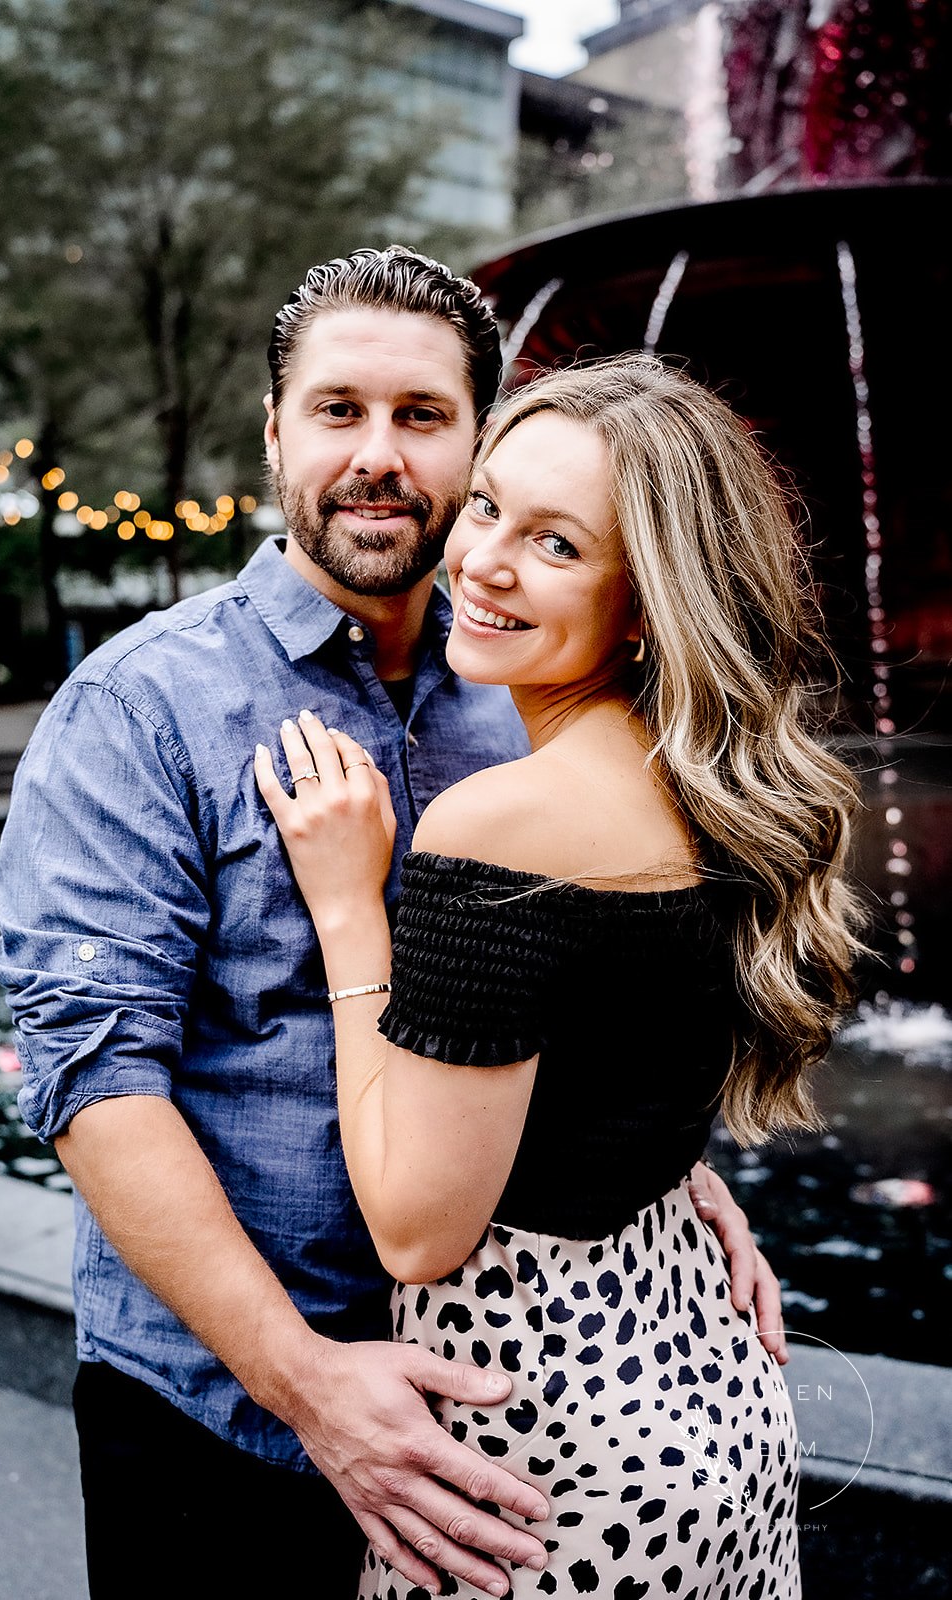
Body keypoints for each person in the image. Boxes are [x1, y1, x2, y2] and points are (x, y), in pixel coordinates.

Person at [0, 248, 784, 1600]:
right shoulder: (142, 706)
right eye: (336, 409)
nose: (376, 454)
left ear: (477, 437)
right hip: (226, 1420)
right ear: (274, 431)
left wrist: (655, 1170)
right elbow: (92, 1077)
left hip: (494, 1416)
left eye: (420, 417)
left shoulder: (521, 684)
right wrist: (311, 1391)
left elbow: (579, 993)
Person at [255, 354, 865, 1599]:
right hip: (703, 1402)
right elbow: (618, 1059)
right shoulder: (707, 780)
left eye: (554, 543)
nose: (480, 559)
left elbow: (420, 1230)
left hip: (545, 1450)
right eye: (485, 506)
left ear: (642, 602)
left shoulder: (504, 820)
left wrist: (345, 907)